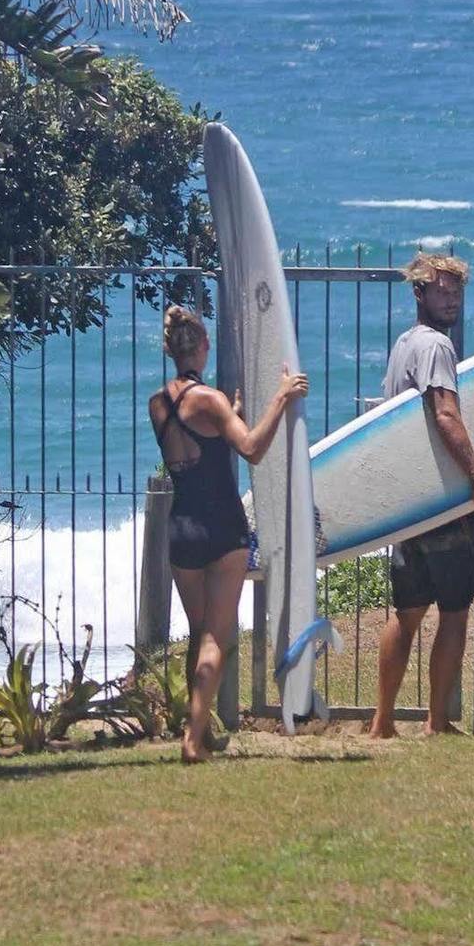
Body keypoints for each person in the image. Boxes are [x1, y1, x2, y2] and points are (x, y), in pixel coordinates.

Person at [149, 304, 308, 764]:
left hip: (181, 529)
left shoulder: (158, 403)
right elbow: (253, 449)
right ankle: (193, 741)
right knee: (218, 637)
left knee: (199, 634)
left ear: (169, 350)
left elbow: (199, 445)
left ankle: (198, 725)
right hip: (222, 529)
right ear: (203, 346)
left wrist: (228, 414)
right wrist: (281, 396)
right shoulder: (211, 400)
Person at [368, 253, 474, 739]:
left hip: (409, 505)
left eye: (456, 291)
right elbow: (445, 413)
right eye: (441, 290)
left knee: (405, 618)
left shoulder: (403, 346)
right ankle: (437, 722)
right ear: (419, 293)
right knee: (453, 613)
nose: (450, 299)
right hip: (441, 504)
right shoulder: (437, 348)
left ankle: (382, 723)